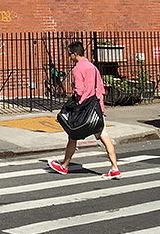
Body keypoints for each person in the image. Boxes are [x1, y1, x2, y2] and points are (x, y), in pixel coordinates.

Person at [49, 41, 121, 178]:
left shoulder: (77, 69)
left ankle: (64, 166)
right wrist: (100, 106)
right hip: (96, 109)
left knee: (73, 135)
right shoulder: (93, 68)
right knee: (104, 137)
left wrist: (74, 93)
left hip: (83, 109)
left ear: (75, 54)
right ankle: (114, 167)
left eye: (70, 54)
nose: (69, 57)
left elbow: (80, 92)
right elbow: (101, 89)